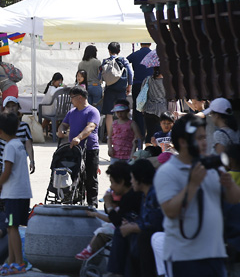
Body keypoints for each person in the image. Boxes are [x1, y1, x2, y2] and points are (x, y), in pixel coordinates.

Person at [154, 114, 240, 277]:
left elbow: (234, 199)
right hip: (184, 256)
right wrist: (192, 185)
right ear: (183, 142)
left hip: (215, 253)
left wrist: (229, 185)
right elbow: (170, 211)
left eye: (204, 136)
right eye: (199, 138)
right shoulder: (167, 172)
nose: (204, 142)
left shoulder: (211, 165)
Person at [0, 112, 33, 274]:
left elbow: (7, 170)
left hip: (13, 195)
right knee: (12, 227)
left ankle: (18, 263)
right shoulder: (19, 144)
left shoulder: (9, 147)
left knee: (12, 227)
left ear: (0, 131)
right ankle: (11, 261)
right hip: (21, 193)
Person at [57, 86, 101, 207]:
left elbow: (90, 127)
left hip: (90, 149)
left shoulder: (92, 111)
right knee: (74, 177)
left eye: (72, 98)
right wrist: (61, 130)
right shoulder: (71, 112)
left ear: (80, 97)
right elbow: (63, 124)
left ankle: (92, 204)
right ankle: (75, 200)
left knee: (90, 177)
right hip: (74, 151)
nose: (71, 100)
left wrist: (79, 137)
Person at [119, 159, 164, 277]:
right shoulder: (145, 195)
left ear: (141, 178)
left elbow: (154, 224)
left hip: (157, 236)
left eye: (133, 178)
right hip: (147, 234)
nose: (131, 181)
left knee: (142, 237)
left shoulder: (154, 194)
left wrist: (132, 227)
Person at [103, 161, 142, 276]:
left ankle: (116, 272)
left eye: (112, 182)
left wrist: (109, 206)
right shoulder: (127, 196)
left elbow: (118, 222)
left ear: (122, 182)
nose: (111, 187)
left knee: (120, 233)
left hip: (138, 237)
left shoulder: (132, 196)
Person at [100, 42, 133, 143]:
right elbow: (130, 72)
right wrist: (129, 86)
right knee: (123, 111)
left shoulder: (106, 61)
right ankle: (123, 134)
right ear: (119, 51)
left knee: (109, 114)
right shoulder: (123, 60)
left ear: (109, 51)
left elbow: (100, 75)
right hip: (121, 89)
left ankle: (110, 136)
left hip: (109, 89)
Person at [0, 97, 35, 174]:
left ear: (18, 107)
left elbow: (28, 145)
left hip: (18, 162)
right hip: (0, 161)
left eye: (13, 106)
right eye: (8, 106)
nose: (11, 109)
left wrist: (32, 160)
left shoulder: (24, 126)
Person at [127, 43, 153, 139]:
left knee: (137, 109)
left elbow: (125, 62)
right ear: (150, 44)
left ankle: (139, 133)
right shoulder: (154, 54)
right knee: (150, 108)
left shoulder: (135, 54)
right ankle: (149, 133)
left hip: (137, 84)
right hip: (150, 85)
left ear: (140, 43)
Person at [140, 67, 167, 145]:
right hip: (162, 109)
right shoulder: (166, 81)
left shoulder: (148, 79)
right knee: (161, 132)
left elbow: (143, 93)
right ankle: (159, 151)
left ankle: (149, 150)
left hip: (149, 108)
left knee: (149, 132)